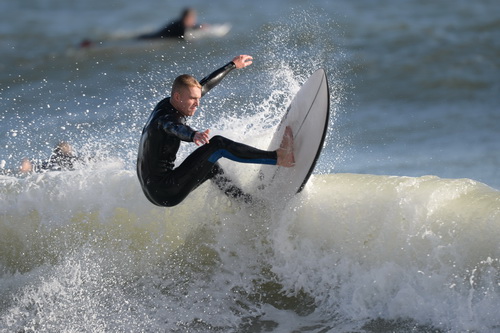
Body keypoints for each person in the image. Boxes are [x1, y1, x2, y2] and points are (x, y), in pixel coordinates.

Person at [136, 55, 295, 207]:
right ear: (178, 97)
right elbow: (174, 127)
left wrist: (232, 65)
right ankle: (279, 157)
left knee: (210, 165)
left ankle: (247, 204)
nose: (197, 104)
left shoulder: (168, 103)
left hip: (153, 191)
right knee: (218, 145)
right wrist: (193, 134)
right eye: (193, 99)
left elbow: (204, 85)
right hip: (166, 190)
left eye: (198, 98)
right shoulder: (166, 119)